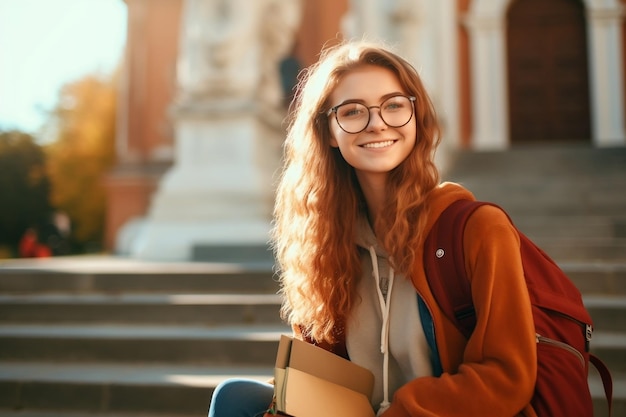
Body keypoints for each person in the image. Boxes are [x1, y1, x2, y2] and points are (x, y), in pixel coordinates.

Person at [208, 40, 536, 417]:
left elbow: (506, 376)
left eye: (394, 105)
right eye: (352, 111)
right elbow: (320, 373)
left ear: (416, 118)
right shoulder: (325, 241)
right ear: (329, 131)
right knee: (235, 400)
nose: (377, 122)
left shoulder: (476, 229)